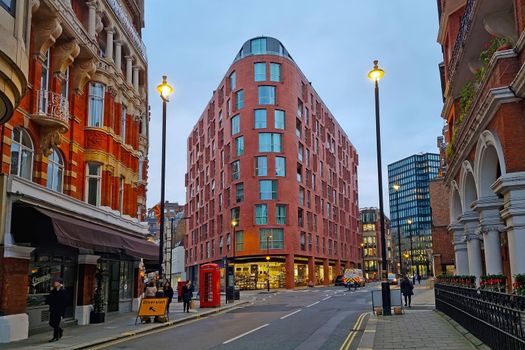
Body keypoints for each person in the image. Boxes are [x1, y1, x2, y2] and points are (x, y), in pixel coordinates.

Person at [45, 278, 68, 342]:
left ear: (59, 283)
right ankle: (60, 330)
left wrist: (62, 313)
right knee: (51, 323)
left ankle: (55, 337)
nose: (55, 283)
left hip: (59, 310)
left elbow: (65, 302)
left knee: (56, 324)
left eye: (56, 282)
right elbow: (49, 299)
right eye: (54, 282)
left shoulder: (63, 291)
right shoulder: (53, 291)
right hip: (53, 309)